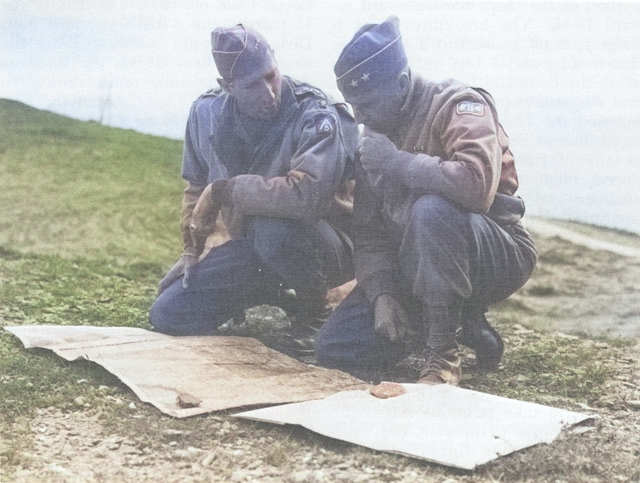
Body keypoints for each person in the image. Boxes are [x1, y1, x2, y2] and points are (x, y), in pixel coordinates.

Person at [315, 16, 537, 384]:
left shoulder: (458, 105)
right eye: (353, 105)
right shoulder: (373, 136)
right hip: (418, 261)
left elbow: (476, 185)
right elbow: (369, 233)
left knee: (430, 210)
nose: (359, 117)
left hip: (495, 254)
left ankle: (442, 355)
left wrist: (397, 163)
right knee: (336, 348)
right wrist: (383, 294)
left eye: (367, 104)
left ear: (401, 83)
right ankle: (462, 321)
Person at [150, 24, 358, 357]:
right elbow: (195, 188)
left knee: (272, 225)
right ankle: (281, 297)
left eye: (271, 75)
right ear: (227, 86)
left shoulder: (316, 113)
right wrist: (193, 250)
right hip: (254, 248)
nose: (269, 92)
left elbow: (306, 198)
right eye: (251, 85)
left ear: (276, 61)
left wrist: (226, 191)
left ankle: (314, 313)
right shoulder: (205, 114)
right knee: (170, 314)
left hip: (327, 248)